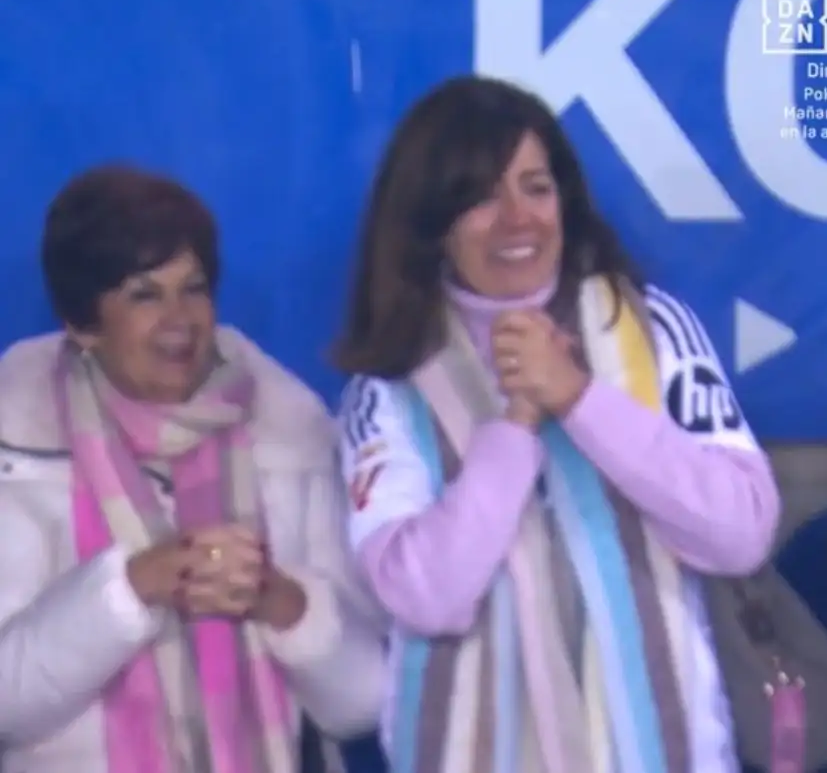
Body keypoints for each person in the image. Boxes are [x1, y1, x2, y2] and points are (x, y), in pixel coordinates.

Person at [332, 75, 781, 773]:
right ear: (431, 224)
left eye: (536, 188)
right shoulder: (386, 386)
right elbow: (423, 595)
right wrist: (515, 425)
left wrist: (577, 396)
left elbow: (740, 531)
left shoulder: (649, 327)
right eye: (481, 197)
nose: (517, 219)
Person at [0, 165, 386, 773]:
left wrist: (279, 601)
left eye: (195, 287)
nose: (180, 319)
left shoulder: (290, 434)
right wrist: (130, 590)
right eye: (144, 294)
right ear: (81, 325)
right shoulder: (15, 448)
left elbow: (366, 703)